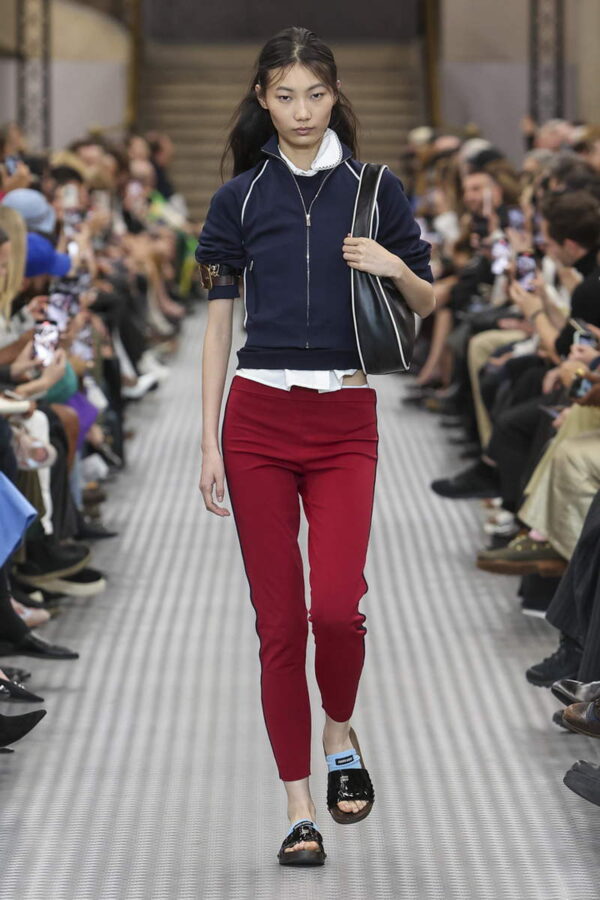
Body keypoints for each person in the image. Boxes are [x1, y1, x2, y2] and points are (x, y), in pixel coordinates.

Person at [195, 26, 434, 867]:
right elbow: (217, 326)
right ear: (263, 100)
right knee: (278, 624)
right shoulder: (237, 200)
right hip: (257, 419)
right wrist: (208, 441)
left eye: (317, 94)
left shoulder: (376, 188)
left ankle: (339, 729)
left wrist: (392, 266)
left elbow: (428, 299)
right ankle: (299, 805)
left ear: (335, 97)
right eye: (286, 95)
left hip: (345, 419)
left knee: (335, 609)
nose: (302, 111)